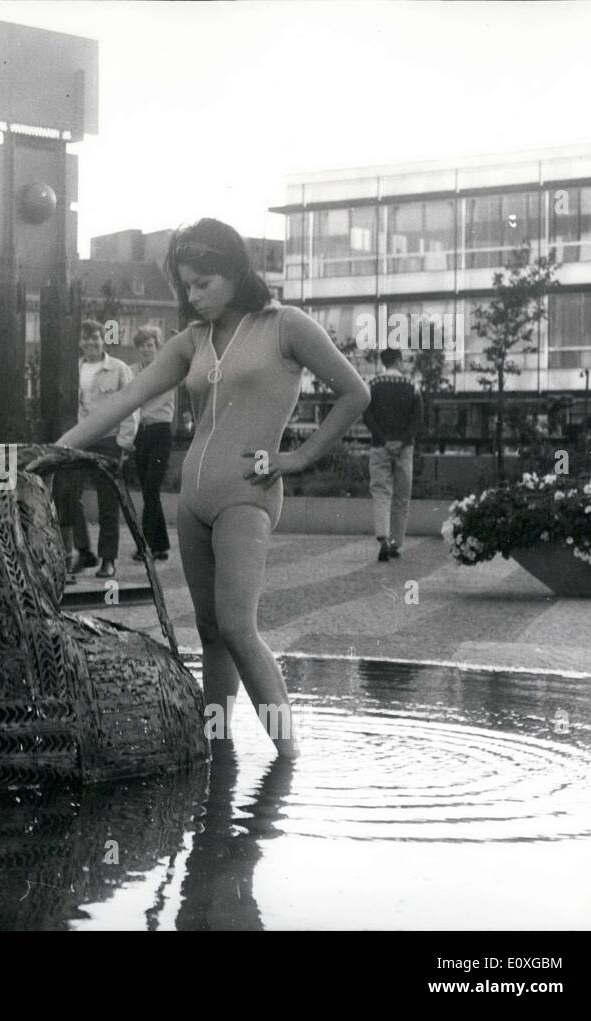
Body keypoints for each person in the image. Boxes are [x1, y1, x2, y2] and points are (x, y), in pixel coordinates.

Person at [56, 218, 371, 758]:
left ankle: (289, 757)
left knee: (238, 628)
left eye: (204, 282)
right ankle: (215, 752)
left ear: (234, 272)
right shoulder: (191, 341)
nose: (194, 295)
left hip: (246, 495)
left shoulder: (286, 325)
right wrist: (53, 454)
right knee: (209, 633)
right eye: (187, 285)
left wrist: (297, 458)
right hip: (194, 500)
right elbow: (123, 401)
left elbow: (355, 393)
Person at [54, 319, 138, 581]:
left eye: (95, 338)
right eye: (86, 338)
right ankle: (83, 550)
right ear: (80, 342)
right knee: (68, 494)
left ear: (103, 339)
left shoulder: (118, 369)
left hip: (109, 439)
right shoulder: (75, 369)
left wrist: (124, 442)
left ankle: (108, 560)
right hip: (81, 438)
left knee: (107, 502)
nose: (91, 342)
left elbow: (131, 405)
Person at [362, 347, 422, 562]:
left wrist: (385, 440)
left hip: (379, 446)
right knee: (401, 496)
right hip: (404, 449)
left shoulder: (372, 386)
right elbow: (417, 419)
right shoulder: (412, 385)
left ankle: (383, 538)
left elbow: (367, 416)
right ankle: (397, 543)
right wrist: (402, 441)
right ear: (398, 361)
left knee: (381, 492)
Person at [130, 325, 176, 562]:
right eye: (142, 346)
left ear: (157, 347)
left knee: (151, 487)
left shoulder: (168, 370)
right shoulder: (132, 372)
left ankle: (146, 546)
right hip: (141, 433)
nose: (146, 349)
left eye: (150, 345)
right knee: (148, 491)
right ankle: (160, 546)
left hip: (160, 431)